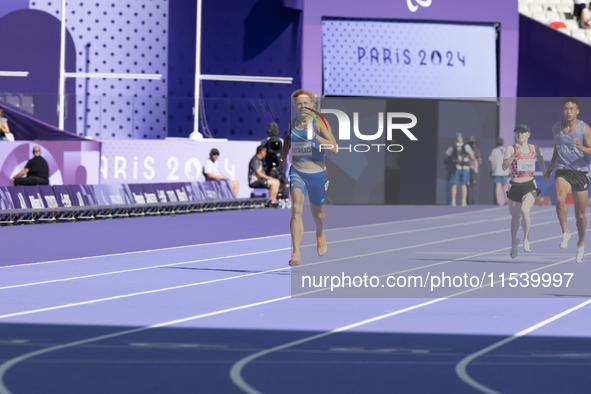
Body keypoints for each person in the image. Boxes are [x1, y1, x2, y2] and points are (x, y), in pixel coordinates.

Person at [280, 89, 338, 267]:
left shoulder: (321, 123)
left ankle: (320, 233)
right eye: (299, 103)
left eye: (306, 103)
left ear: (312, 105)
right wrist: (284, 155)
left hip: (317, 175)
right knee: (296, 209)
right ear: (295, 106)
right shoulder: (292, 123)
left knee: (317, 215)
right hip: (297, 172)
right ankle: (296, 253)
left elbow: (334, 147)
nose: (302, 106)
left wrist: (316, 137)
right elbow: (288, 139)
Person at [544, 96, 591, 263]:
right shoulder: (557, 128)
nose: (568, 111)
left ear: (577, 111)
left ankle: (581, 243)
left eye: (571, 108)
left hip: (581, 172)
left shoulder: (584, 128)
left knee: (580, 215)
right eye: (565, 108)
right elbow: (557, 147)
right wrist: (550, 167)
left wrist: (581, 147)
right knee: (560, 200)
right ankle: (565, 232)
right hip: (563, 171)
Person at [502, 125, 546, 258]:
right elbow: (504, 167)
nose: (520, 134)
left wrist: (544, 170)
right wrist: (514, 155)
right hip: (515, 185)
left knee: (525, 211)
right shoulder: (510, 148)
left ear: (528, 135)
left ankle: (526, 239)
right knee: (515, 217)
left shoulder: (534, 148)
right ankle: (514, 241)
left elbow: (540, 157)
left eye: (522, 132)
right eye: (517, 132)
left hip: (529, 185)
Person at [444, 132, 475, 206]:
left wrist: (453, 157)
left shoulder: (453, 146)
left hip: (456, 167)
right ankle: (463, 201)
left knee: (454, 184)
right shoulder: (466, 146)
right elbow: (473, 157)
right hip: (465, 168)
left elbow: (446, 155)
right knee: (463, 184)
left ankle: (453, 201)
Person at [489, 137, 510, 205]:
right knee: (504, 186)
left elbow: (492, 162)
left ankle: (498, 201)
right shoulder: (506, 150)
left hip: (496, 171)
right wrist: (509, 171)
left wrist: (491, 170)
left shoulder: (494, 151)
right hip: (504, 171)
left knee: (498, 186)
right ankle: (507, 201)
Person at [466, 136, 482, 205]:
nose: (473, 144)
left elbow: (480, 161)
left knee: (474, 185)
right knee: (466, 185)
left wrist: (475, 167)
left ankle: (473, 201)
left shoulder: (476, 150)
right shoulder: (466, 149)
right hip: (466, 169)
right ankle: (466, 201)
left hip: (473, 170)